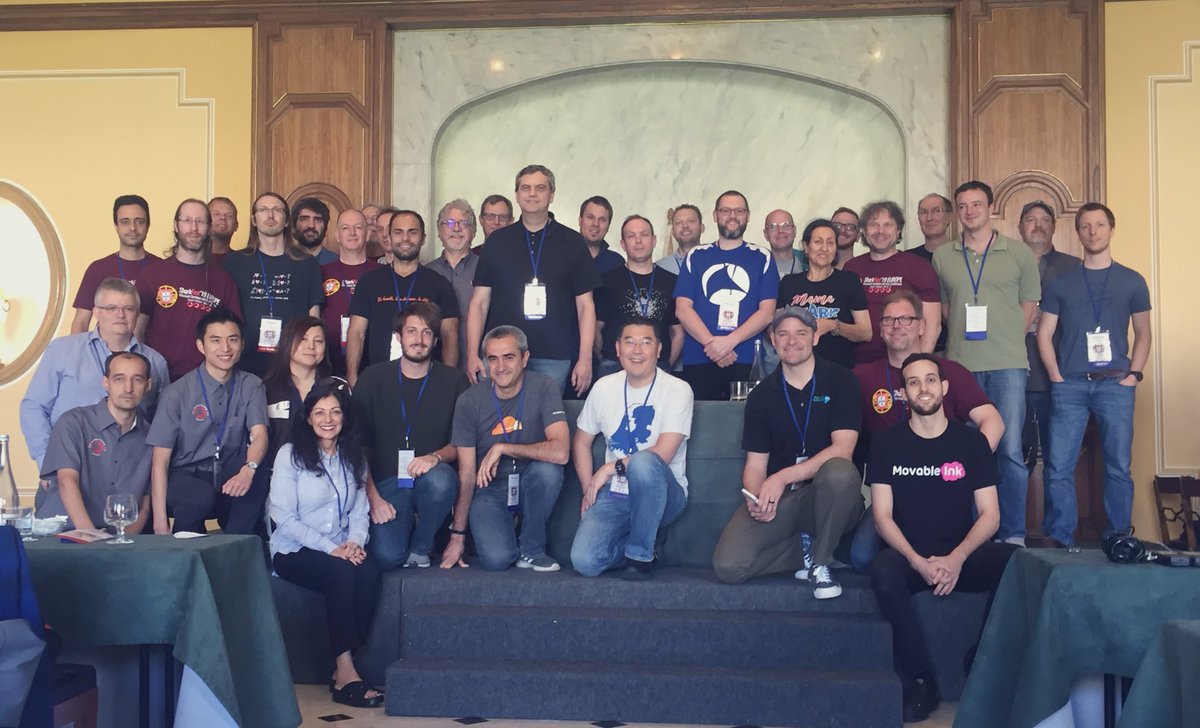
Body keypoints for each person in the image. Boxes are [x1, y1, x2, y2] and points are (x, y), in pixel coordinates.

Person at [867, 353, 1019, 722]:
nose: (923, 388)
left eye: (931, 380)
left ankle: (981, 658)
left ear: (944, 387)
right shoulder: (886, 444)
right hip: (909, 556)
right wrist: (917, 561)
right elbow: (882, 516)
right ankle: (921, 680)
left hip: (960, 554)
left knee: (1014, 562)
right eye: (914, 382)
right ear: (904, 394)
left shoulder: (972, 443)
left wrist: (957, 558)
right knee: (883, 571)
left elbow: (991, 515)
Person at [712, 307, 863, 599]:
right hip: (784, 500)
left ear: (815, 338)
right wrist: (756, 497)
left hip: (831, 496)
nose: (792, 341)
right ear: (773, 340)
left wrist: (781, 477)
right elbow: (755, 466)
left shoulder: (842, 380)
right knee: (729, 567)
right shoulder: (761, 396)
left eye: (801, 333)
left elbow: (843, 450)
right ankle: (807, 551)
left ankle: (821, 564)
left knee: (839, 471)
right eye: (783, 334)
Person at [850, 290, 1003, 571]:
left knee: (981, 548)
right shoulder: (863, 377)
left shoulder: (949, 372)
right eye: (889, 320)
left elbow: (993, 421)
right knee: (861, 556)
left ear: (922, 326)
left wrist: (969, 468)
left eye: (906, 319)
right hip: (895, 491)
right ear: (880, 330)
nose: (897, 326)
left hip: (950, 484)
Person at [933, 180, 1041, 545]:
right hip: (961, 365)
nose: (969, 211)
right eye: (962, 206)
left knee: (1009, 449)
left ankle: (1012, 534)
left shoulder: (1019, 253)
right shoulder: (943, 256)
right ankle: (967, 533)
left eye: (976, 204)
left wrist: (1006, 338)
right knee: (962, 450)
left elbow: (1029, 306)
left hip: (1008, 364)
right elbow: (944, 306)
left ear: (991, 208)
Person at [1037, 202, 1151, 546]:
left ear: (1111, 229)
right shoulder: (1060, 283)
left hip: (1116, 384)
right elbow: (1044, 333)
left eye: (1100, 225)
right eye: (1086, 226)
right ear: (1078, 232)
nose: (1093, 232)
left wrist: (1133, 375)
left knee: (1118, 466)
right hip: (1069, 385)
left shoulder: (1132, 280)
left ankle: (1118, 537)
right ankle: (1061, 539)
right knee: (1059, 466)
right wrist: (1055, 375)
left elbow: (1143, 333)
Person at [268, 383, 383, 709]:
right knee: (341, 573)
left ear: (345, 416)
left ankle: (343, 666)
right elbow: (282, 516)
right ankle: (345, 673)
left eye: (335, 412)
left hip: (340, 546)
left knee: (370, 571)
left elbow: (360, 511)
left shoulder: (354, 455)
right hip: (294, 549)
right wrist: (330, 549)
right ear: (308, 418)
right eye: (319, 412)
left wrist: (354, 543)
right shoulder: (290, 455)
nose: (328, 420)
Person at [571, 317, 693, 580]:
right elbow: (581, 441)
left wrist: (608, 469)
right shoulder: (604, 387)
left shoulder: (678, 390)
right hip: (616, 494)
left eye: (646, 342)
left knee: (643, 461)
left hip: (664, 493)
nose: (637, 350)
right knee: (584, 561)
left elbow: (663, 453)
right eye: (630, 342)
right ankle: (649, 544)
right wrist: (588, 489)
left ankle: (640, 557)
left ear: (659, 349)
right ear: (617, 348)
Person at [466, 164, 600, 396]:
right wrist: (472, 353)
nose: (532, 194)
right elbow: (479, 303)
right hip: (502, 354)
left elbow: (585, 306)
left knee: (546, 416)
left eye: (540, 188)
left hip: (554, 355)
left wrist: (585, 358)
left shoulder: (572, 242)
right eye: (526, 188)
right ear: (517, 195)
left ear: (552, 195)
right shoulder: (497, 242)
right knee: (500, 416)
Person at [352, 303, 469, 570]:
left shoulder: (454, 381)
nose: (419, 339)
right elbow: (355, 445)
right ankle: (407, 527)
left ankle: (421, 546)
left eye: (427, 333)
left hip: (430, 478)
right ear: (398, 337)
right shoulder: (372, 378)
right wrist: (373, 497)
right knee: (388, 556)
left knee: (441, 480)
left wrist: (434, 457)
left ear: (436, 340)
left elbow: (462, 444)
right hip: (385, 482)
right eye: (412, 331)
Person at [451, 325, 568, 571]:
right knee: (497, 559)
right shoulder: (469, 401)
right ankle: (505, 535)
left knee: (548, 471)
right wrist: (457, 535)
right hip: (490, 489)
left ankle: (531, 549)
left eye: (509, 357)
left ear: (525, 358)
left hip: (530, 484)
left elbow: (561, 452)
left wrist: (503, 447)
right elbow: (467, 473)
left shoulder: (545, 386)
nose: (500, 366)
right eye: (493, 359)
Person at [21, 278, 169, 472]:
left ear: (137, 314)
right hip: (68, 463)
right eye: (111, 308)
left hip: (128, 470)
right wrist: (47, 459)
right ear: (96, 312)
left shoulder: (156, 362)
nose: (120, 315)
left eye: (128, 308)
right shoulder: (62, 350)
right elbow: (33, 407)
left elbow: (163, 421)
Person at [147, 308, 269, 535]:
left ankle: (237, 545)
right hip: (187, 474)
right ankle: (186, 547)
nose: (225, 348)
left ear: (242, 344)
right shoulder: (177, 392)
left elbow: (260, 435)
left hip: (231, 472)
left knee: (258, 477)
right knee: (198, 496)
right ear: (201, 346)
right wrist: (160, 523)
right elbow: (160, 461)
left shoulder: (252, 385)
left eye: (233, 340)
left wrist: (248, 469)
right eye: (216, 340)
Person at [674, 190, 777, 400]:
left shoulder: (762, 257)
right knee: (701, 419)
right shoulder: (696, 255)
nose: (732, 216)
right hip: (699, 357)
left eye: (739, 211)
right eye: (725, 210)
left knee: (744, 419)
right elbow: (682, 309)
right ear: (715, 215)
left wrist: (729, 342)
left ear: (748, 216)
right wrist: (711, 345)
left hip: (746, 358)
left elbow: (767, 313)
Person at [35, 352, 154, 533]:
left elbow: (145, 502)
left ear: (148, 385)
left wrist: (123, 543)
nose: (128, 388)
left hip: (117, 537)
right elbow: (67, 481)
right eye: (119, 379)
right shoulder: (73, 422)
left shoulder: (152, 435)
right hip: (62, 533)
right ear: (106, 383)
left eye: (137, 380)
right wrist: (91, 536)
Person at [135, 199, 243, 381]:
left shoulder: (223, 280)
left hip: (204, 381)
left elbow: (233, 335)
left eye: (200, 222)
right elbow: (138, 330)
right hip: (157, 377)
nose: (194, 228)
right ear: (176, 226)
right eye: (187, 221)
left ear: (209, 228)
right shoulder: (152, 274)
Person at [346, 210, 460, 382]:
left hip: (427, 381)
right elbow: (356, 332)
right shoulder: (369, 282)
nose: (405, 239)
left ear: (423, 238)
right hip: (377, 381)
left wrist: (448, 382)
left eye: (412, 232)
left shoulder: (439, 284)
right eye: (398, 232)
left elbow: (450, 335)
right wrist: (353, 377)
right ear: (390, 237)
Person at [222, 192, 324, 377]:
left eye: (276, 210)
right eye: (263, 210)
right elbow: (226, 316)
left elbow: (313, 317)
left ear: (286, 221)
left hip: (293, 361)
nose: (270, 215)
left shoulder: (307, 263)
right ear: (254, 220)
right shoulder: (235, 262)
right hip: (245, 361)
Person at [1017, 200, 1080, 471]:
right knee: (1014, 455)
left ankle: (1055, 503)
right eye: (1031, 219)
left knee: (1058, 457)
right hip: (1014, 372)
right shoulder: (1005, 265)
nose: (1038, 225)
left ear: (1054, 227)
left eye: (1045, 220)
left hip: (1058, 374)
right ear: (1020, 227)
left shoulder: (1073, 267)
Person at [843, 201, 941, 363]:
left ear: (898, 230)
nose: (880, 231)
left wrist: (919, 363)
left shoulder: (919, 266)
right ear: (864, 231)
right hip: (859, 363)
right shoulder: (852, 267)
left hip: (906, 362)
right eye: (873, 225)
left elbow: (933, 325)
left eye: (888, 225)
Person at [260, 316, 333, 510]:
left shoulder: (337, 388)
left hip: (327, 481)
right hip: (275, 481)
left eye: (318, 341)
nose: (311, 346)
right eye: (303, 339)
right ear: (287, 343)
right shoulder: (265, 389)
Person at [594, 215, 681, 378]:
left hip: (659, 366)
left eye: (644, 235)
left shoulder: (672, 281)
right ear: (623, 244)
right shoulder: (606, 280)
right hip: (614, 366)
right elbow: (596, 329)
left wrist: (666, 365)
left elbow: (677, 332)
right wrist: (607, 360)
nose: (638, 241)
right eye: (631, 236)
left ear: (654, 240)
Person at [777, 218, 871, 369]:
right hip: (794, 369)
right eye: (818, 242)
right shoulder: (789, 283)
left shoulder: (849, 281)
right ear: (806, 247)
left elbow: (866, 333)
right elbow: (775, 328)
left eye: (830, 243)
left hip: (838, 369)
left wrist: (834, 325)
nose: (824, 248)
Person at [70, 195, 161, 334]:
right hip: (107, 348)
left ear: (148, 225)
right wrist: (78, 349)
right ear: (116, 226)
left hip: (150, 348)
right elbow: (80, 323)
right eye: (125, 222)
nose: (132, 228)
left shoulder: (163, 269)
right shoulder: (98, 269)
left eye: (139, 221)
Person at [320, 209, 380, 377]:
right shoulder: (321, 272)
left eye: (358, 227)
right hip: (328, 363)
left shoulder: (382, 273)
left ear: (368, 234)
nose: (352, 233)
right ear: (337, 235)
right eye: (345, 228)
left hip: (372, 363)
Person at [427, 199, 479, 367]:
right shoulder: (426, 272)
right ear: (439, 231)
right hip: (433, 364)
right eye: (449, 223)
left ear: (474, 232)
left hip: (477, 364)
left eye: (464, 223)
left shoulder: (486, 269)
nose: (456, 228)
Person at [578, 195, 625, 274]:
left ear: (608, 226)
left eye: (602, 220)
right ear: (580, 220)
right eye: (590, 217)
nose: (596, 224)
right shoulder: (563, 256)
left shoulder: (617, 263)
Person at [655, 203, 705, 275]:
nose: (685, 226)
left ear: (702, 228)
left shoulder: (716, 262)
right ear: (673, 231)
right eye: (678, 222)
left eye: (690, 221)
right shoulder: (660, 268)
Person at [291, 197, 338, 264]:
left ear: (325, 226)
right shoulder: (283, 262)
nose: (311, 225)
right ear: (294, 224)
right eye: (304, 219)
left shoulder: (336, 262)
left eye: (318, 220)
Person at [910, 193, 954, 262]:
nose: (929, 218)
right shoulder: (907, 258)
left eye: (937, 211)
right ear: (918, 217)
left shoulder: (962, 257)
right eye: (924, 212)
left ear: (949, 216)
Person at [208, 196, 240, 261]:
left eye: (229, 216)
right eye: (216, 214)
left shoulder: (242, 261)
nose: (223, 217)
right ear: (205, 222)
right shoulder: (192, 259)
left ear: (236, 225)